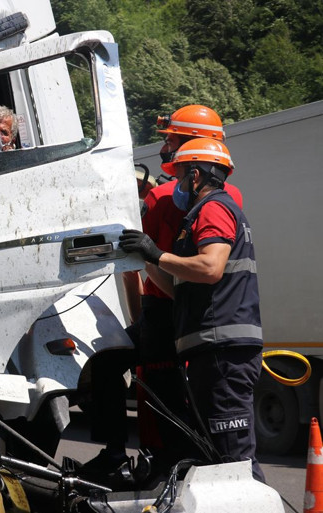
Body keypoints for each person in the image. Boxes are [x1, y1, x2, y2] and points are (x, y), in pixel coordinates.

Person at [83, 106, 243, 482]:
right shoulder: (230, 195)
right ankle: (183, 463)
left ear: (190, 146)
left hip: (162, 312)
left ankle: (119, 456)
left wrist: (139, 320)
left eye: (170, 139)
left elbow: (137, 264)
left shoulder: (158, 200)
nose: (164, 148)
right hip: (208, 314)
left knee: (119, 371)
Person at [119, 138, 265, 482]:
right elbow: (181, 290)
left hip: (222, 353)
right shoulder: (202, 214)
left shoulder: (213, 209)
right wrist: (147, 257)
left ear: (195, 176)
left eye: (180, 176)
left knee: (233, 462)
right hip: (212, 352)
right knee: (217, 458)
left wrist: (157, 255)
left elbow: (211, 267)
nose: (176, 185)